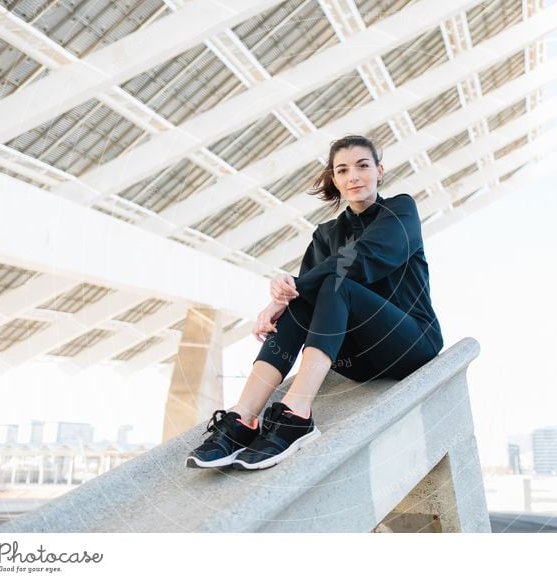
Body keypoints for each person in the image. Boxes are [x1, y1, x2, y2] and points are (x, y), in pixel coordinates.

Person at [186, 135, 444, 471]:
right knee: (304, 301)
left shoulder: (400, 210)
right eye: (343, 170)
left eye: (363, 166)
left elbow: (364, 257)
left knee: (337, 285)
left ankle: (296, 415)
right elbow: (305, 299)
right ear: (334, 180)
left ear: (380, 171)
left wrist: (293, 286)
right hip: (356, 361)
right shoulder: (325, 235)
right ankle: (243, 418)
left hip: (410, 344)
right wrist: (287, 295)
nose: (354, 176)